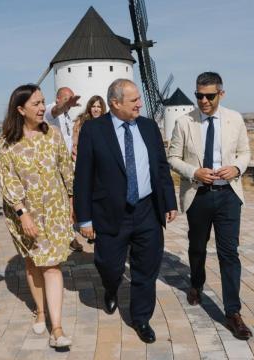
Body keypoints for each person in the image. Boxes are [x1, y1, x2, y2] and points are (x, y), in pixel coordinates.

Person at [73, 79, 178, 344]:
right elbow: (83, 176)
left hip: (147, 211)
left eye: (139, 99)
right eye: (134, 101)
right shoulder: (93, 130)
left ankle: (141, 318)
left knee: (146, 268)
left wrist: (169, 201)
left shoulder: (149, 126)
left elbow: (161, 168)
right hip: (109, 213)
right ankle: (111, 287)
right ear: (115, 103)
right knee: (108, 264)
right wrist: (84, 218)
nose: (140, 104)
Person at [167, 72, 252, 340]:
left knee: (229, 254)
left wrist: (236, 167)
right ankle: (196, 283)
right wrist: (194, 172)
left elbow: (245, 152)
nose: (203, 101)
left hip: (228, 196)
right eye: (199, 95)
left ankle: (233, 313)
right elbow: (173, 157)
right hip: (198, 195)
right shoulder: (184, 122)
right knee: (197, 247)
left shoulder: (235, 119)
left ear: (221, 94)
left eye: (209, 96)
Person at [0, 84, 74, 349]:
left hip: (54, 211)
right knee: (32, 263)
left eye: (43, 102)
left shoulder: (52, 134)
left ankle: (58, 328)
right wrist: (23, 214)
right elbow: (7, 182)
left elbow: (66, 168)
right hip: (24, 214)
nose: (43, 108)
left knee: (52, 265)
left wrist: (73, 202)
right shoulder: (7, 143)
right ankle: (40, 311)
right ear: (20, 109)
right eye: (36, 104)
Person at [44, 87, 84, 252]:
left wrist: (74, 148)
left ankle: (68, 233)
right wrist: (65, 105)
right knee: (62, 201)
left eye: (71, 98)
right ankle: (66, 235)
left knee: (70, 199)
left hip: (67, 162)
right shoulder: (50, 110)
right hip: (54, 164)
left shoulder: (67, 115)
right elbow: (56, 110)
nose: (69, 101)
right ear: (58, 98)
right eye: (66, 98)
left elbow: (68, 137)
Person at [71, 95, 107, 162]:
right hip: (83, 159)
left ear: (102, 108)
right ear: (89, 108)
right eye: (93, 106)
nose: (96, 109)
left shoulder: (106, 124)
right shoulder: (81, 122)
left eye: (99, 107)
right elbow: (74, 144)